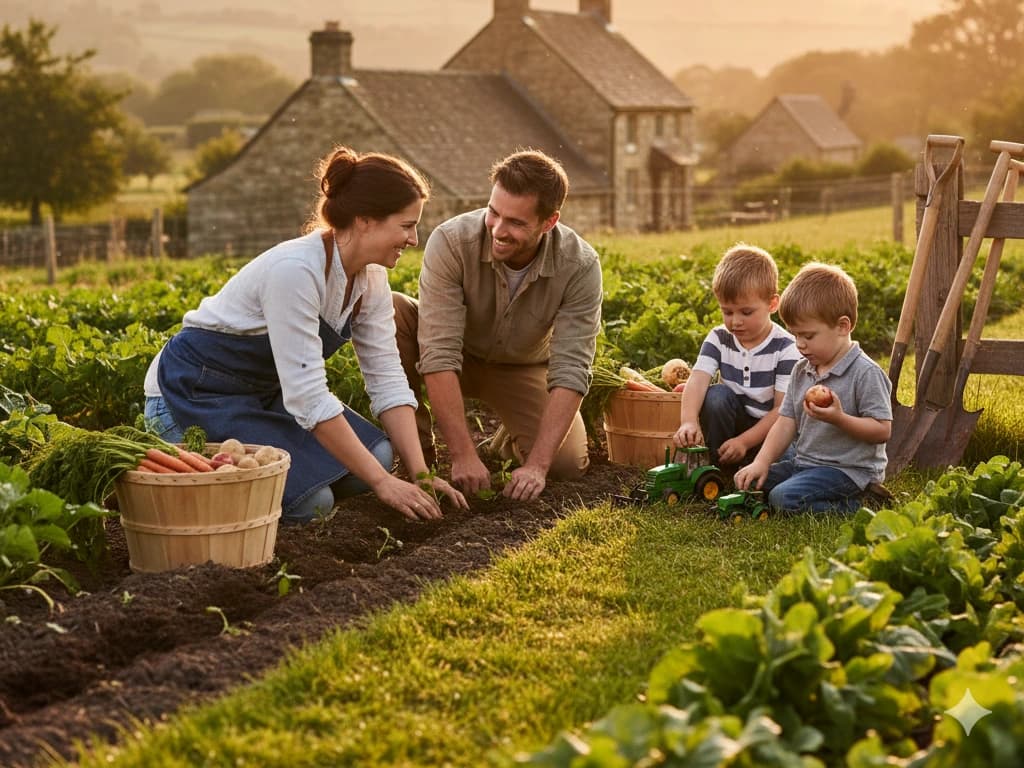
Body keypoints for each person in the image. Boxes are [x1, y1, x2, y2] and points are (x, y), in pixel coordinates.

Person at [143, 146, 467, 524]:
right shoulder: (295, 271)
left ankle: (303, 479)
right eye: (407, 225)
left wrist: (420, 476)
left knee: (379, 454)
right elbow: (309, 397)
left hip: (264, 394)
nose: (414, 239)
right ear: (365, 220)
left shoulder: (371, 279)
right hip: (192, 394)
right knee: (314, 504)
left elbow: (387, 380)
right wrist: (383, 484)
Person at [392, 149, 602, 502]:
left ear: (549, 222)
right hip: (457, 352)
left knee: (565, 465)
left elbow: (571, 368)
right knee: (394, 311)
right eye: (493, 213)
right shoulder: (452, 241)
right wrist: (461, 454)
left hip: (521, 366)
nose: (499, 230)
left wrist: (537, 466)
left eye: (517, 223)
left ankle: (507, 441)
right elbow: (439, 351)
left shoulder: (579, 265)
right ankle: (419, 459)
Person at [733, 262, 893, 513]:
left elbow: (882, 431)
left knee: (782, 499)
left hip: (847, 471)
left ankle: (862, 503)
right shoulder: (801, 370)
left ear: (843, 326)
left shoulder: (865, 373)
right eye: (795, 335)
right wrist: (762, 462)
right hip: (805, 463)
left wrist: (840, 418)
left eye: (808, 336)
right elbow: (786, 422)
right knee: (752, 483)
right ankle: (800, 488)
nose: (800, 345)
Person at [672, 243, 800, 471]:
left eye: (746, 312)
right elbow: (698, 380)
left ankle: (753, 463)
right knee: (716, 396)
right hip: (733, 423)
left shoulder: (786, 348)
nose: (735, 321)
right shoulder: (719, 338)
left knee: (787, 463)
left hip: (771, 431)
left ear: (772, 304)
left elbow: (781, 411)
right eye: (727, 312)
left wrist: (745, 442)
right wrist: (689, 421)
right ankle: (717, 465)